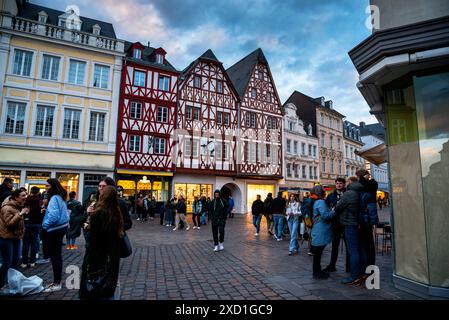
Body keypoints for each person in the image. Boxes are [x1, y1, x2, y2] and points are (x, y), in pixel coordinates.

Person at [79, 186, 123, 300]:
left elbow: (92, 241)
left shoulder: (98, 214)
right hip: (112, 256)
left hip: (99, 257)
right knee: (108, 285)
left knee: (96, 286)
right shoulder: (116, 213)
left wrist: (88, 226)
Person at [335, 176, 366, 285]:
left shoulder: (349, 193)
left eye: (347, 181)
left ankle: (354, 276)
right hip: (360, 224)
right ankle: (362, 273)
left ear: (351, 182)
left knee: (353, 251)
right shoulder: (361, 191)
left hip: (350, 224)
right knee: (360, 249)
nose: (346, 183)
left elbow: (338, 207)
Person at [41, 178, 69, 293]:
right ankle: (57, 281)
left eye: (47, 186)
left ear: (53, 186)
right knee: (57, 255)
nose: (46, 188)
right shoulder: (60, 197)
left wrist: (45, 225)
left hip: (54, 229)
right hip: (61, 228)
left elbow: (54, 216)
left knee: (54, 256)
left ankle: (57, 283)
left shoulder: (53, 198)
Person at [0, 189, 28, 293]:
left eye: (26, 195)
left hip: (16, 237)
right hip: (6, 238)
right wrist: (20, 214)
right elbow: (9, 223)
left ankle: (11, 282)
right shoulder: (7, 207)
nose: (25, 197)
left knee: (15, 260)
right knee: (7, 262)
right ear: (16, 197)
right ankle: (1, 284)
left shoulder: (17, 206)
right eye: (23, 195)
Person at [323, 177, 350, 273]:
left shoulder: (348, 194)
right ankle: (332, 265)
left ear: (344, 184)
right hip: (335, 222)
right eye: (337, 183)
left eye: (340, 183)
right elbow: (325, 206)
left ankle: (349, 266)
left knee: (348, 245)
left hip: (346, 222)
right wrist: (330, 212)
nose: (339, 185)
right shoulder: (331, 195)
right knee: (335, 245)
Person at [310, 185, 334, 279]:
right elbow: (325, 216)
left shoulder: (315, 201)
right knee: (318, 252)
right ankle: (317, 272)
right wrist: (333, 211)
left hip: (317, 228)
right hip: (321, 229)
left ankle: (317, 271)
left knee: (317, 252)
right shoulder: (320, 202)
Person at [356, 169, 378, 268]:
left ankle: (369, 265)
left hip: (366, 220)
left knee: (367, 244)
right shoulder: (369, 186)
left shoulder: (368, 187)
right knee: (367, 243)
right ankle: (368, 264)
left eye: (358, 177)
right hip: (366, 220)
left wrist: (372, 221)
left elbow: (371, 206)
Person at [21, 186, 43, 267]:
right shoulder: (40, 200)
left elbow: (24, 209)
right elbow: (41, 210)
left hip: (27, 222)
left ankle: (24, 262)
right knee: (34, 242)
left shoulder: (26, 199)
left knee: (25, 243)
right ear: (38, 192)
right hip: (36, 222)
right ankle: (32, 261)